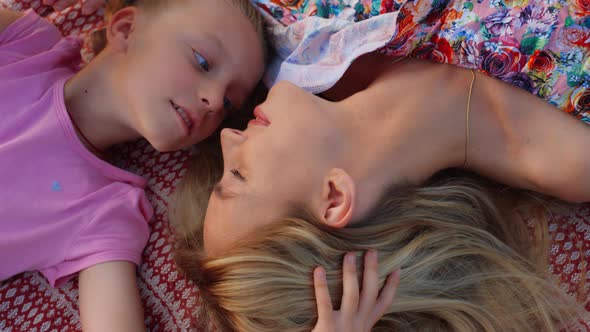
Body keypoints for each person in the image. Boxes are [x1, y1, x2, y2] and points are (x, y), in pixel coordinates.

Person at [171, 0, 590, 328]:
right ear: (333, 197)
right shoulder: (571, 156)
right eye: (238, 175)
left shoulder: (295, 33)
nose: (227, 136)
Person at [0, 0, 267, 330]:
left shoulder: (103, 212)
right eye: (203, 62)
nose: (214, 100)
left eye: (229, 102)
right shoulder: (26, 45)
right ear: (126, 29)